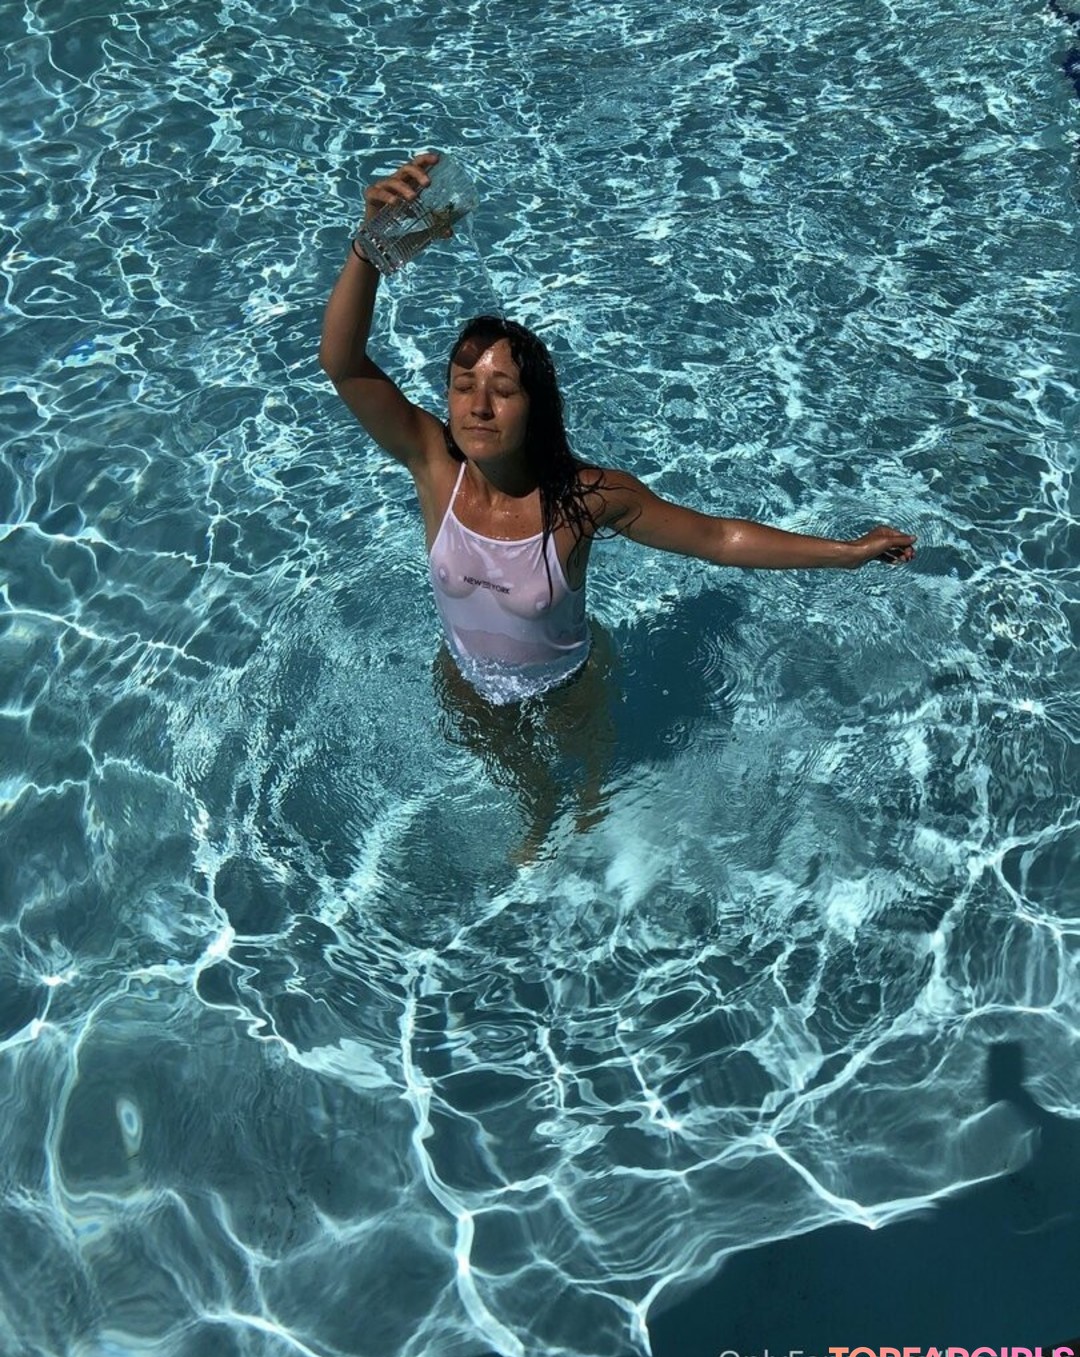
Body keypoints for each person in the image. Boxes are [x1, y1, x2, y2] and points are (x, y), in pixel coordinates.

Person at [319, 152, 916, 854]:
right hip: (467, 678)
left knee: (591, 764)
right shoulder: (433, 466)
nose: (478, 406)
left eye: (503, 390)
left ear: (536, 405)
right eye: (462, 386)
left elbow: (717, 539)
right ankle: (539, 808)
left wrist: (847, 554)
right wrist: (369, 248)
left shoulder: (585, 498)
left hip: (566, 680)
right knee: (516, 771)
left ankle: (590, 802)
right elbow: (344, 363)